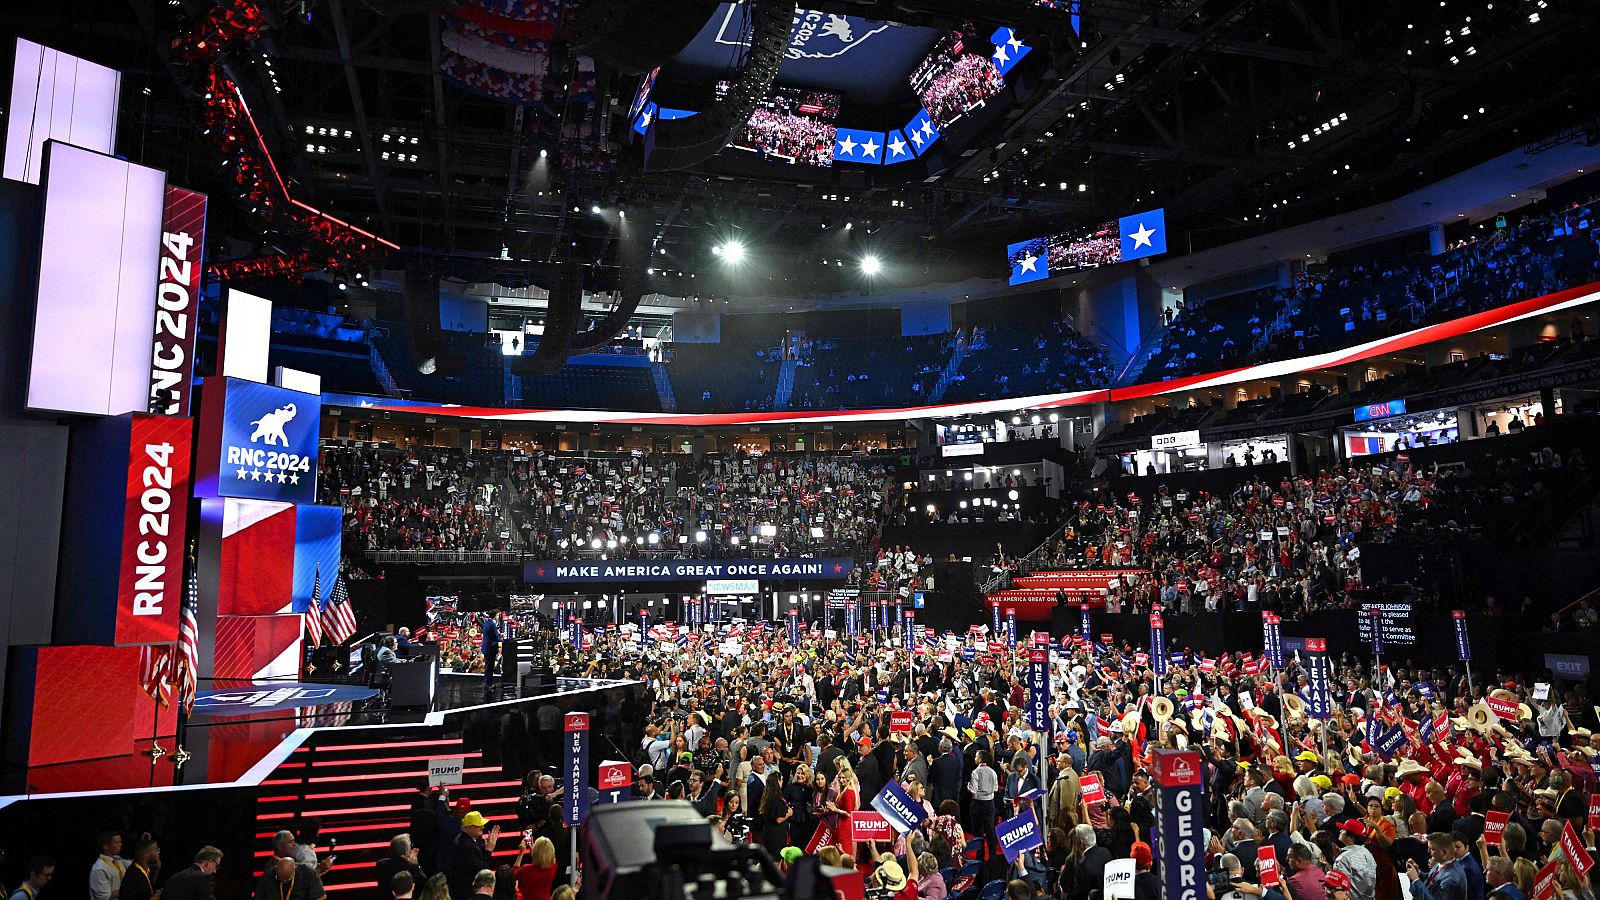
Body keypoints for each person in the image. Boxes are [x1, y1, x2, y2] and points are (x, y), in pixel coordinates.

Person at [450, 811, 501, 900]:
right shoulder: (466, 845)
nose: (483, 827)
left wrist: (486, 848)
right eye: (478, 825)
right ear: (468, 827)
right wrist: (489, 850)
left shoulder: (475, 839)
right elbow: (482, 870)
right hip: (465, 893)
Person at [1407, 834, 1468, 900]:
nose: (1428, 851)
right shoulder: (1441, 862)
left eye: (1432, 849)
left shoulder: (1452, 878)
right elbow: (1431, 880)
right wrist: (1418, 872)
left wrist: (1415, 880)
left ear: (1444, 853)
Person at [253, 857, 326, 900]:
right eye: (279, 879)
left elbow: (321, 897)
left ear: (294, 870)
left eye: (286, 880)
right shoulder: (268, 876)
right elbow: (258, 897)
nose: (283, 882)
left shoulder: (308, 873)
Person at [91, 831, 133, 900]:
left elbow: (136, 863)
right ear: (105, 847)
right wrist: (130, 888)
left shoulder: (117, 859)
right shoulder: (99, 869)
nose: (121, 844)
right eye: (117, 842)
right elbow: (105, 897)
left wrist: (143, 844)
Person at [482, 610, 502, 693]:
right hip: (490, 648)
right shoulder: (492, 624)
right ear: (495, 615)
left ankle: (487, 684)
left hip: (487, 648)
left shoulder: (487, 623)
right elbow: (494, 637)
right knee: (489, 667)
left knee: (488, 667)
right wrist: (501, 639)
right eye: (498, 615)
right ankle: (488, 685)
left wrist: (498, 634)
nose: (498, 617)